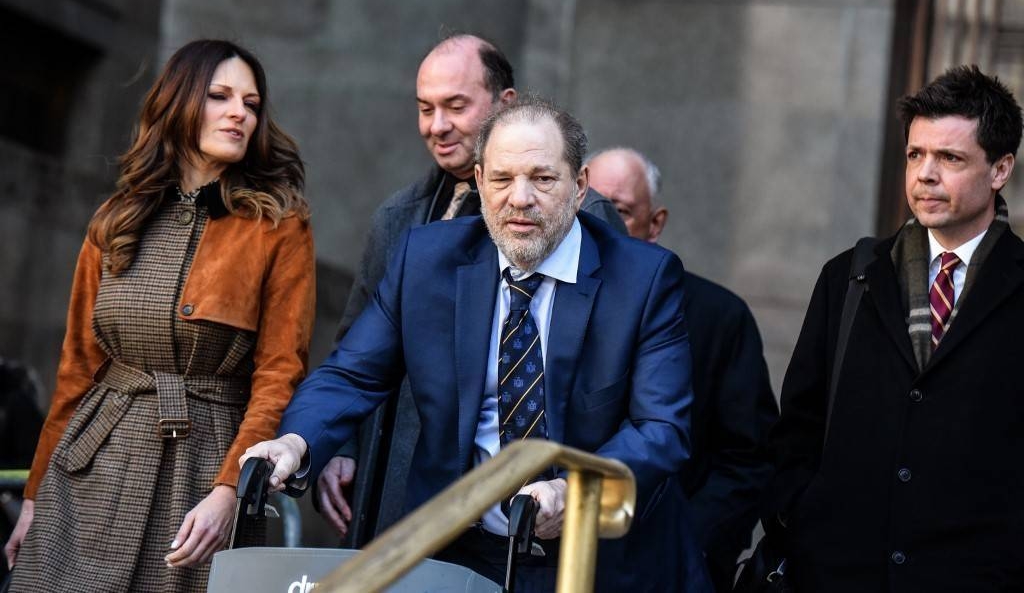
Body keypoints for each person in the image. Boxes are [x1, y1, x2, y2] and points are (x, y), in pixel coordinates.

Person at [244, 96, 711, 591]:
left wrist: (571, 492)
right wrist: (296, 441)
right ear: (481, 181)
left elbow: (660, 428)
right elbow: (353, 373)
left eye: (543, 178)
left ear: (578, 189)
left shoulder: (642, 278)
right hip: (458, 546)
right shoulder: (426, 260)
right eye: (503, 179)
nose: (521, 198)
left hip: (598, 558)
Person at [3, 39, 315, 592]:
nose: (239, 112)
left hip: (202, 468)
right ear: (180, 103)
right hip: (92, 463)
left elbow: (278, 376)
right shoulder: (115, 218)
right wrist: (33, 495)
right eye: (220, 96)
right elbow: (76, 369)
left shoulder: (279, 226)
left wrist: (230, 489)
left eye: (251, 102)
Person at [319, 33, 625, 543]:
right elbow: (354, 347)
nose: (437, 126)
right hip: (402, 486)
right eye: (425, 108)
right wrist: (341, 445)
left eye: (455, 106)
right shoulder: (398, 217)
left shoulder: (580, 217)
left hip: (526, 501)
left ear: (505, 104)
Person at [765, 65, 1024, 591]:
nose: (925, 174)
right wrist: (799, 519)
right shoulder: (850, 276)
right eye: (915, 155)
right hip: (837, 574)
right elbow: (797, 426)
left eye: (949, 158)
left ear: (1000, 169)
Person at [586, 147, 778, 591]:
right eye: (589, 207)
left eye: (619, 211)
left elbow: (749, 459)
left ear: (655, 224)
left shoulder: (719, 317)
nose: (602, 225)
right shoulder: (547, 302)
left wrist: (688, 539)